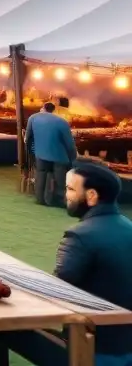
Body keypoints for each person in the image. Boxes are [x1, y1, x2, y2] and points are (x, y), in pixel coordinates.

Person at [55, 161, 132, 365]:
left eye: (70, 189)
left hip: (95, 346)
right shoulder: (129, 227)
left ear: (91, 196)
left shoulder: (79, 236)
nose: (66, 196)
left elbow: (57, 290)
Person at [26, 100, 77, 207]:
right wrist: (73, 158)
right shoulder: (62, 122)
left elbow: (28, 137)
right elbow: (70, 144)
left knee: (41, 175)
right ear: (54, 110)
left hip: (40, 154)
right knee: (61, 180)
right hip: (59, 156)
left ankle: (40, 199)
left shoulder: (33, 118)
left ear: (43, 108)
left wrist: (31, 152)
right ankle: (62, 202)